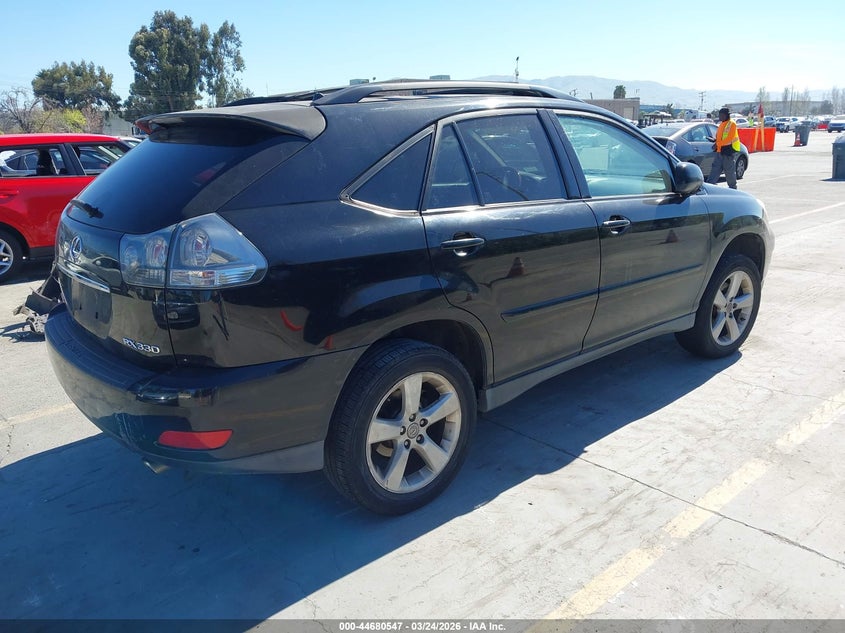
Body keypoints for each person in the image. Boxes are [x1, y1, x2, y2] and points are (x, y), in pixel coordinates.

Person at [707, 107, 741, 189]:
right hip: (719, 151)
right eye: (719, 115)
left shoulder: (731, 124)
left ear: (726, 115)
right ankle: (709, 188)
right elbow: (721, 138)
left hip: (728, 152)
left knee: (729, 173)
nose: (719, 117)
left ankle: (733, 189)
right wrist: (715, 140)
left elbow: (729, 139)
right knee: (714, 171)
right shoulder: (722, 124)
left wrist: (717, 144)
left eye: (721, 115)